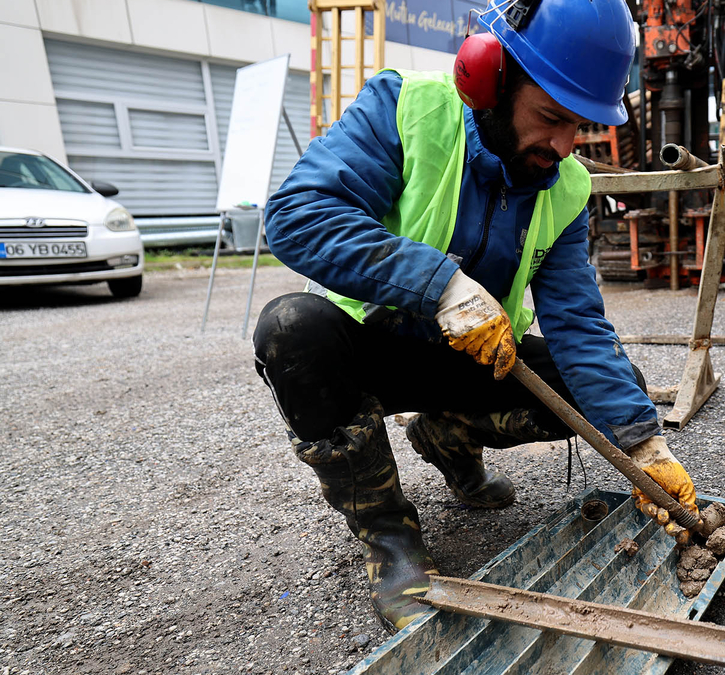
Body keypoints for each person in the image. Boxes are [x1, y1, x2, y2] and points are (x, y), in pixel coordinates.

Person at [251, 0, 698, 633]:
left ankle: (448, 436)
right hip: (371, 349)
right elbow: (298, 216)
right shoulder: (407, 110)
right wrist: (437, 284)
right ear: (490, 78)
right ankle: (390, 537)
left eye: (581, 126)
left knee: (588, 385)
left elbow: (578, 322)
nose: (566, 147)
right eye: (552, 119)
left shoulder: (564, 186)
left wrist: (641, 443)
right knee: (292, 329)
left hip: (470, 358)